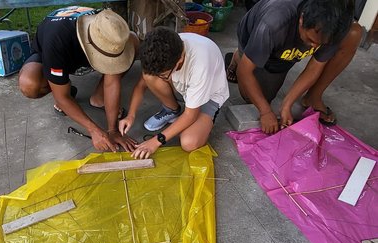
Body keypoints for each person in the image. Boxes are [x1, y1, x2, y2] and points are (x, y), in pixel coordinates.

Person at [224, 0, 360, 133]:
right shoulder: (273, 23)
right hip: (257, 40)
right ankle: (240, 56)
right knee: (254, 98)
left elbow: (314, 68)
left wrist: (287, 105)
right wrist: (265, 112)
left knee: (354, 33)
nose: (315, 48)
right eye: (311, 40)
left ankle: (313, 97)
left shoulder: (333, 28)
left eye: (321, 45)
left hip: (285, 50)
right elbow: (245, 72)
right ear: (301, 19)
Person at [18, 6, 139, 152]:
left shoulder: (108, 27)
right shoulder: (56, 42)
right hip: (57, 51)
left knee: (133, 41)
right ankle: (64, 86)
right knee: (30, 84)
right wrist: (94, 130)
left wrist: (113, 130)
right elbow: (61, 98)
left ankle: (99, 97)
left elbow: (112, 83)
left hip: (80, 45)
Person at [119, 27, 229, 159]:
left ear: (180, 59)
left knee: (189, 142)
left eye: (164, 75)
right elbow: (141, 85)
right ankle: (172, 110)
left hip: (209, 96)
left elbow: (190, 115)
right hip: (185, 88)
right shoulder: (164, 48)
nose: (163, 77)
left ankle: (205, 118)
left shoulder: (200, 65)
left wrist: (156, 141)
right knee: (149, 76)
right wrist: (130, 115)